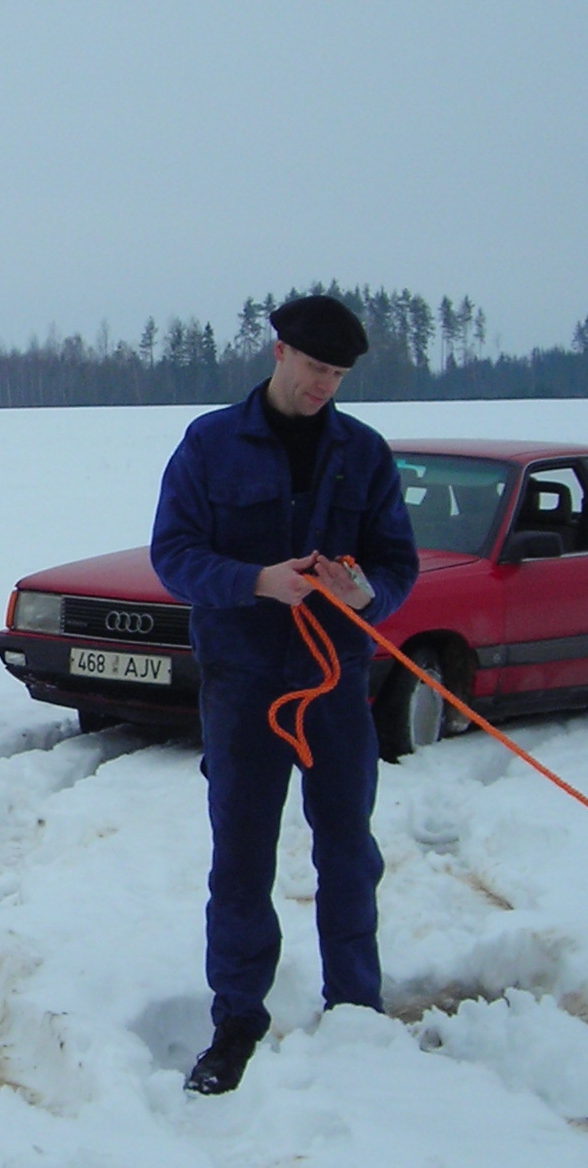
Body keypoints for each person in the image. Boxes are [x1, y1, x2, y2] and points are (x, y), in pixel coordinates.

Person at [149, 293, 420, 1096]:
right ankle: (237, 1018)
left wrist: (363, 591)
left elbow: (399, 566)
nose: (323, 386)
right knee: (240, 859)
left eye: (337, 374)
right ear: (278, 353)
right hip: (242, 686)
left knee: (348, 851)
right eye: (313, 368)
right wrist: (255, 581)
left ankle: (357, 1010)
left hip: (335, 683)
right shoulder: (209, 443)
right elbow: (174, 554)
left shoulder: (363, 454)